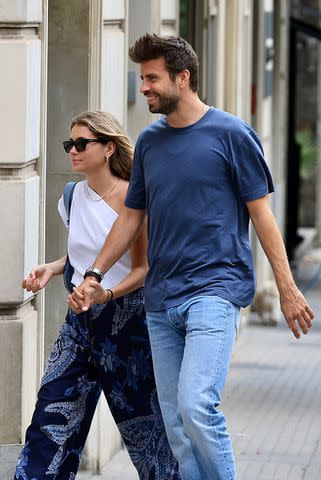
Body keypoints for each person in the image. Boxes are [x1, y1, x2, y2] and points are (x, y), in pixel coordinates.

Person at [69, 34, 314, 480]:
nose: (143, 87)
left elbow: (261, 214)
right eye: (142, 78)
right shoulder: (149, 143)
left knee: (197, 404)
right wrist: (94, 273)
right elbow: (130, 218)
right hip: (161, 301)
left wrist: (287, 286)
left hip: (214, 292)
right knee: (177, 427)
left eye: (152, 78)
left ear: (183, 78)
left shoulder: (232, 134)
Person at [14, 110, 180, 480]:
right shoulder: (72, 196)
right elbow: (87, 253)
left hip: (129, 325)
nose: (72, 150)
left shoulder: (133, 199)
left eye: (81, 143)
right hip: (79, 324)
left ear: (107, 148)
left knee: (147, 435)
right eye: (69, 144)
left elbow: (142, 269)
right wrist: (54, 267)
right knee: (50, 421)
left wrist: (106, 293)